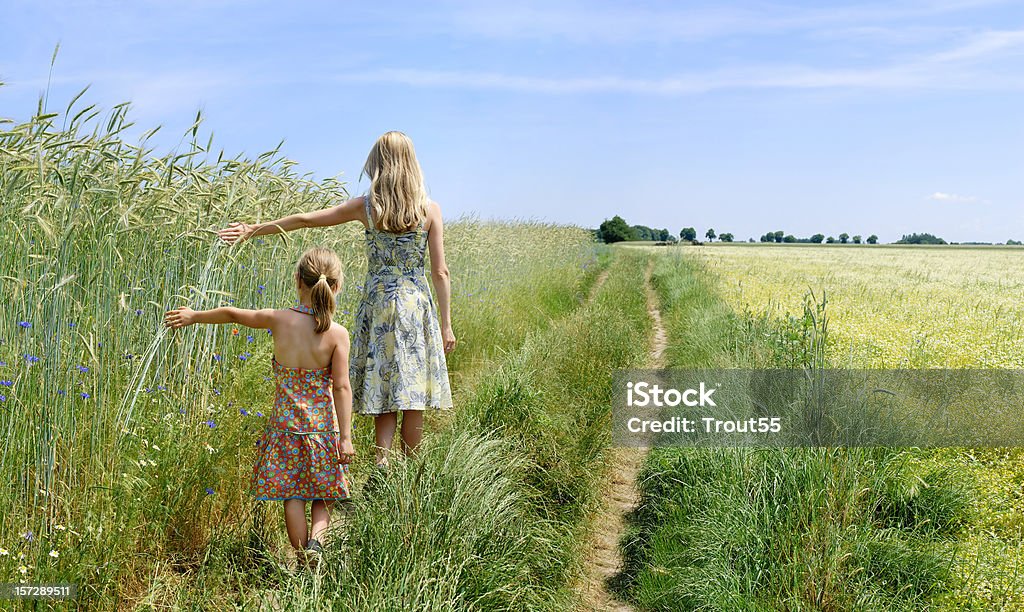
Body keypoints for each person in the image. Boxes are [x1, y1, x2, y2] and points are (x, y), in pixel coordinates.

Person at [217, 131, 454, 470]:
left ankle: (382, 471)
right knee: (412, 397)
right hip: (416, 306)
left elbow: (304, 221)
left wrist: (252, 229)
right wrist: (445, 324)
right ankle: (411, 478)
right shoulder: (430, 211)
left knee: (383, 394)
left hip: (379, 306)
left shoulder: (367, 207)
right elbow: (440, 271)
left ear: (379, 164)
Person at [164, 247, 354, 570]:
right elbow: (341, 387)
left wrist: (194, 316)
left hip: (285, 429)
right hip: (323, 429)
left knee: (292, 496)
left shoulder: (278, 320)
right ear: (335, 287)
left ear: (298, 281)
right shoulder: (337, 335)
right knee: (325, 492)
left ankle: (301, 561)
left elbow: (234, 313)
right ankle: (317, 543)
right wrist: (346, 436)